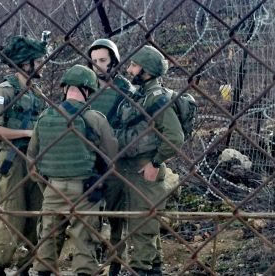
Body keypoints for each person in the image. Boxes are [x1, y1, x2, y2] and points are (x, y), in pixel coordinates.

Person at [29, 64, 118, 276]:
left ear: (65, 88)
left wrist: (48, 185)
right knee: (84, 239)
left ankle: (42, 272)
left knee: (48, 239)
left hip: (52, 188)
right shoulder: (94, 118)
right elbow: (111, 154)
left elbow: (32, 159)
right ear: (87, 90)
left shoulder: (45, 117)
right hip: (85, 190)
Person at [114, 45, 184, 275]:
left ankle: (141, 269)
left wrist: (154, 163)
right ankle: (153, 267)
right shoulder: (140, 95)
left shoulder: (158, 98)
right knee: (141, 222)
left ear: (147, 71)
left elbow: (174, 137)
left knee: (143, 225)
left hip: (145, 167)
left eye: (134, 65)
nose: (130, 69)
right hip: (129, 166)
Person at [0, 35, 48, 276]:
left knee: (38, 213)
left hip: (35, 161)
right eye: (38, 60)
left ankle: (28, 263)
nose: (41, 65)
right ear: (26, 63)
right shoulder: (5, 90)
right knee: (11, 213)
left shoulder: (35, 92)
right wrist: (27, 133)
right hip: (12, 162)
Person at [87, 38, 135, 275]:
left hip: (117, 160)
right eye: (94, 61)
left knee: (117, 215)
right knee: (90, 213)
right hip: (90, 160)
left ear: (114, 61)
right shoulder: (86, 86)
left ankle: (116, 263)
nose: (98, 66)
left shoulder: (126, 89)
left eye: (103, 60)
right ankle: (90, 260)